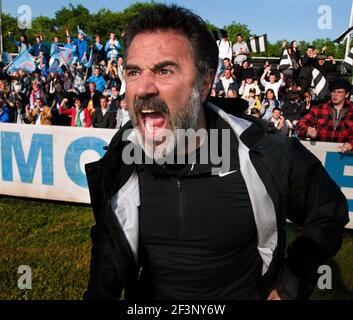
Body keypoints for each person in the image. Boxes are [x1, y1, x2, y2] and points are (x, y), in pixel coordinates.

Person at [84, 4, 349, 301]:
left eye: (165, 70)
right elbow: (108, 244)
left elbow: (327, 213)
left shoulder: (262, 149)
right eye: (133, 72)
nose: (143, 87)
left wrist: (287, 289)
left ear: (205, 83)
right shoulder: (122, 154)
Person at [296, 78, 353, 152]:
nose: (335, 94)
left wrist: (351, 144)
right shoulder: (318, 109)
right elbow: (300, 124)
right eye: (333, 91)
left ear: (346, 94)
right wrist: (307, 130)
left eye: (339, 92)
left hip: (344, 155)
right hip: (320, 152)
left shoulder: (351, 112)